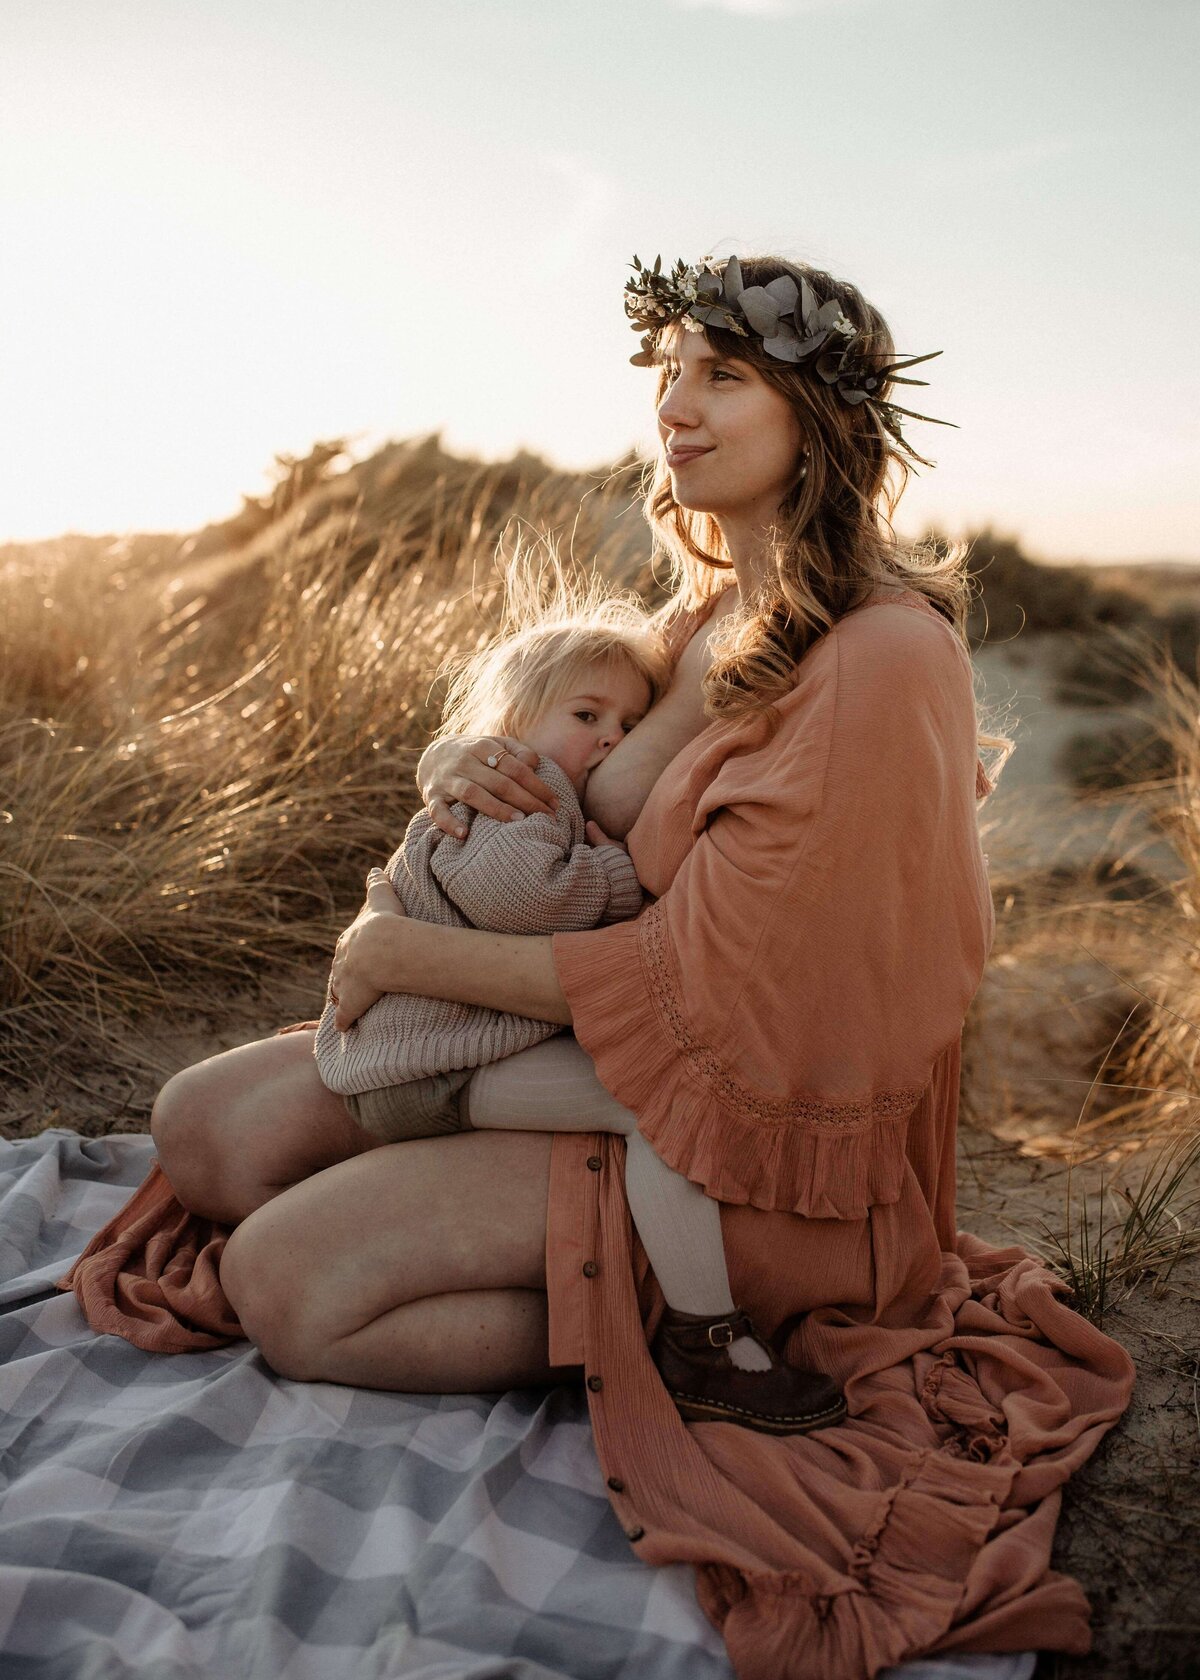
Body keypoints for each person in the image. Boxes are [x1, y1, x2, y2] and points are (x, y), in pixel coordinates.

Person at [153, 251, 1134, 1678]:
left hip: (743, 1142)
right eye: (667, 372)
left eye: (723, 375)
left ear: (822, 419)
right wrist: (480, 766)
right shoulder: (697, 614)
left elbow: (728, 998)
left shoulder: (878, 659)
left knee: (289, 1289)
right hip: (597, 1056)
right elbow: (562, 767)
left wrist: (405, 953)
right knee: (200, 1130)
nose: (676, 405)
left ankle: (657, 1323)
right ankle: (471, 1221)